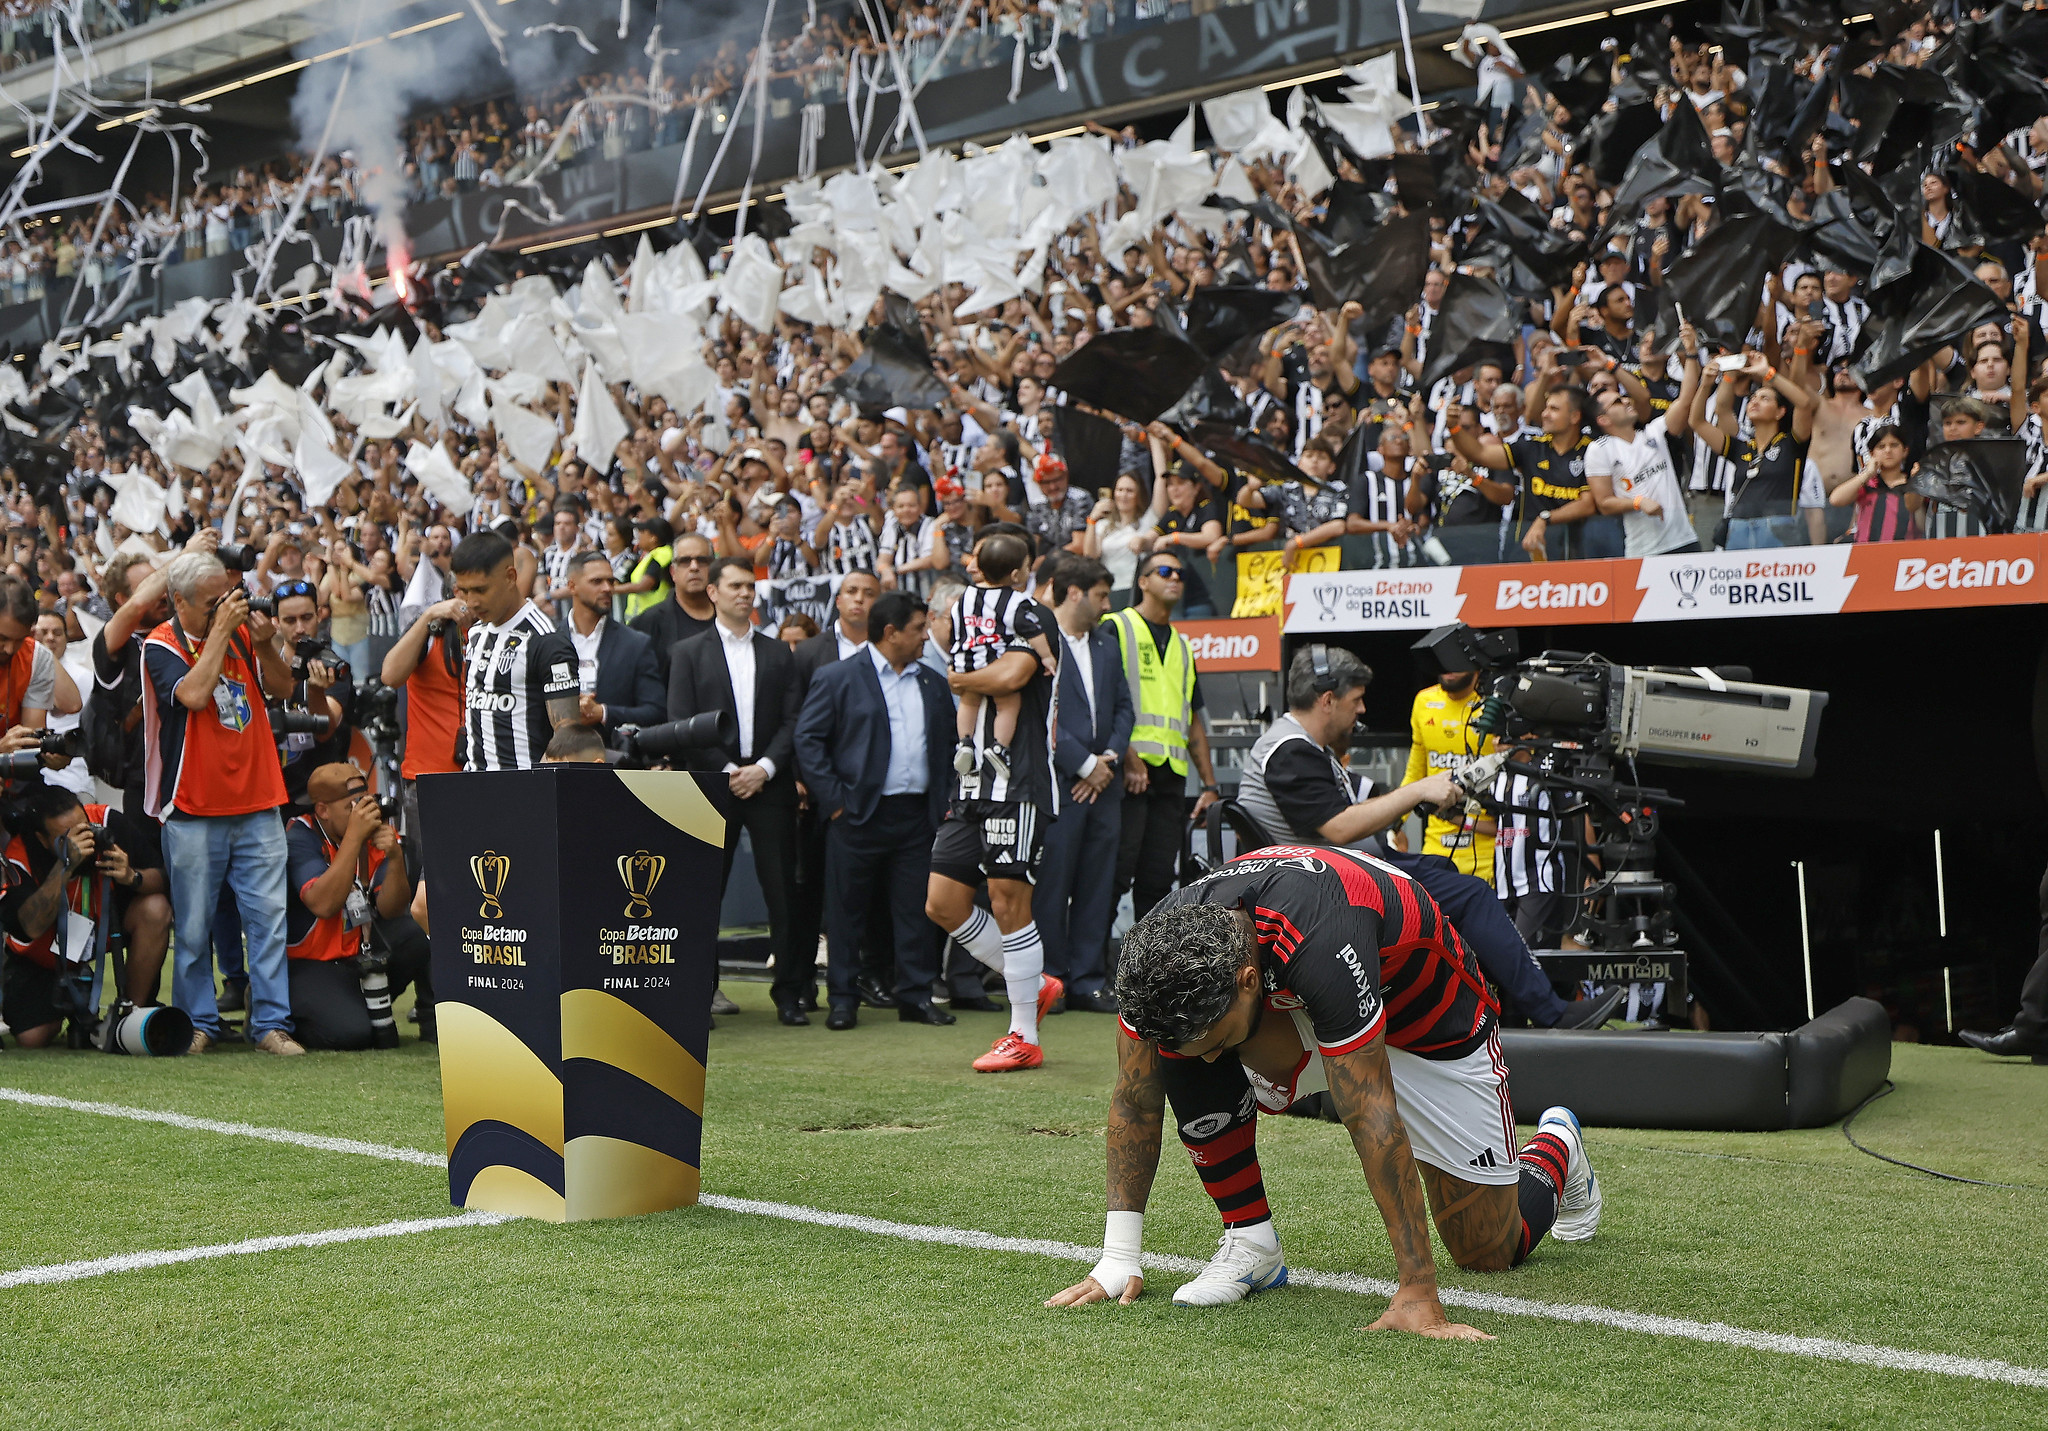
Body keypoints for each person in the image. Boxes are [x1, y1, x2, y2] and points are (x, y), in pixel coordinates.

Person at [1045, 850, 1601, 1322]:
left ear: (1246, 980)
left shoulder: (1317, 936)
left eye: (1220, 1040)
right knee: (1179, 1045)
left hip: (1429, 1022)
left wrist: (1417, 1290)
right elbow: (1135, 1097)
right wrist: (1118, 1256)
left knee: (1487, 1249)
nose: (1215, 1058)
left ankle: (1557, 1146)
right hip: (1295, 1007)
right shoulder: (1161, 953)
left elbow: (1372, 1111)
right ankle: (1251, 1241)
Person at [1235, 646, 1621, 1030]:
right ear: (1328, 699)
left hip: (1334, 876)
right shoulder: (1289, 751)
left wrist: (1443, 788)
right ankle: (1550, 1013)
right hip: (1330, 888)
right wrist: (1419, 791)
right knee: (1471, 896)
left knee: (1442, 868)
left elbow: (1369, 795)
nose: (1363, 710)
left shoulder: (1302, 747)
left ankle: (1504, 1012)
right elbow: (1340, 827)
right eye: (1357, 700)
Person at [142, 548, 301, 1056]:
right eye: (211, 603)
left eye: (225, 599)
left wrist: (265, 644)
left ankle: (272, 1025)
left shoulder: (237, 634)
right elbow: (192, 694)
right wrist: (219, 632)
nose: (223, 609)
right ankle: (199, 1023)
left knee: (269, 924)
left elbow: (282, 686)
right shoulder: (160, 644)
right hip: (193, 805)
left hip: (258, 800)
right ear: (179, 602)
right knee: (191, 929)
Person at [926, 531, 1068, 1072]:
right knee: (942, 902)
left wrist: (960, 676)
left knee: (1009, 901)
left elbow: (1012, 673)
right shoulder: (972, 610)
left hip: (1020, 781)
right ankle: (1033, 981)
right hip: (971, 786)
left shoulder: (1030, 615)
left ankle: (1023, 1034)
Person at [794, 591, 956, 1029]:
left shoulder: (931, 682)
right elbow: (808, 740)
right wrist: (836, 803)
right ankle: (843, 999)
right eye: (919, 628)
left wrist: (941, 803)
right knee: (847, 912)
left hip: (916, 817)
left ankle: (916, 997)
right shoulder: (838, 677)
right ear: (891, 633)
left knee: (914, 913)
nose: (926, 636)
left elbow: (945, 748)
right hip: (857, 816)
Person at [669, 557, 804, 1023]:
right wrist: (727, 769)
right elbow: (682, 724)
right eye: (735, 586)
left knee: (783, 893)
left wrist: (764, 768)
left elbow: (793, 720)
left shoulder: (777, 653)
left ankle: (789, 995)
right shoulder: (688, 652)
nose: (745, 593)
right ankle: (700, 993)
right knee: (703, 894)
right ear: (713, 592)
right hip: (711, 786)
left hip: (770, 785)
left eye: (750, 586)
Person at [1033, 555, 1131, 1015]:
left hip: (1103, 785)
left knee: (1096, 884)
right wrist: (1084, 764)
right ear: (1074, 592)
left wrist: (1105, 761)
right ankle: (1051, 979)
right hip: (1059, 786)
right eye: (1101, 595)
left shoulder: (1107, 644)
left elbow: (1125, 708)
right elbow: (1042, 717)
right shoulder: (1038, 643)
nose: (1106, 605)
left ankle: (1089, 980)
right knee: (1053, 885)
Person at [1, 783, 171, 1047]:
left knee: (155, 908)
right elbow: (29, 926)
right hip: (43, 951)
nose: (82, 841)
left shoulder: (106, 821)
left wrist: (132, 877)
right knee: (32, 1038)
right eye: (65, 837)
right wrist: (65, 865)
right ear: (42, 839)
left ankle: (129, 1015)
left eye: (83, 829)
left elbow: (162, 880)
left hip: (103, 927)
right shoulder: (19, 853)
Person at [284, 763, 431, 1048]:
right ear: (323, 810)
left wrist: (395, 856)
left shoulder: (372, 831)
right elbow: (323, 904)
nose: (362, 811)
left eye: (365, 801)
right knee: (352, 1035)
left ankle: (368, 1008)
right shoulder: (299, 836)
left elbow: (390, 909)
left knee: (416, 935)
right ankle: (280, 1011)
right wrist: (354, 837)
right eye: (352, 805)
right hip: (309, 964)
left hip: (355, 954)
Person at [1109, 551, 1220, 921]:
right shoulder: (1116, 626)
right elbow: (1100, 703)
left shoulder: (1184, 647)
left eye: (1180, 572)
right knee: (1114, 874)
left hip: (1170, 778)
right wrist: (1126, 754)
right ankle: (1092, 974)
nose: (1175, 577)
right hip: (1126, 774)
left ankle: (1145, 971)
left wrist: (1209, 785)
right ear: (1142, 581)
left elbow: (1191, 721)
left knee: (1157, 881)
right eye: (1164, 571)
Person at [452, 531, 579, 771]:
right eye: (465, 591)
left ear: (510, 577)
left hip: (522, 793)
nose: (471, 602)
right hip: (474, 789)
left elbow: (567, 734)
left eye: (480, 590)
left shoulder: (546, 639)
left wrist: (530, 790)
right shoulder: (477, 632)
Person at [946, 532, 1055, 786]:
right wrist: (1047, 656)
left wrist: (957, 658)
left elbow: (954, 628)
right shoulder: (1017, 602)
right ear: (1016, 574)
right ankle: (998, 747)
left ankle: (964, 742)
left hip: (965, 659)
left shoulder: (963, 598)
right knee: (1008, 704)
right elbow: (1032, 631)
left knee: (968, 702)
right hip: (993, 658)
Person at [1689, 353, 1818, 550]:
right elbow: (1697, 422)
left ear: (1780, 412)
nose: (1755, 402)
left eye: (1765, 398)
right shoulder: (1741, 448)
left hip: (1778, 527)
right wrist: (1705, 384)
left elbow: (1804, 403)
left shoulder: (1792, 443)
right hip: (1738, 528)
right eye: (1753, 398)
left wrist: (1768, 373)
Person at [380, 592, 470, 868]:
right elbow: (390, 676)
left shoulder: (498, 633)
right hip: (429, 779)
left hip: (485, 776)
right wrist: (428, 616)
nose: (469, 604)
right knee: (431, 881)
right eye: (464, 593)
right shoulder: (430, 634)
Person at [560, 551, 664, 739]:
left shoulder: (635, 643)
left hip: (614, 757)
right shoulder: (548, 640)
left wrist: (603, 712)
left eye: (611, 581)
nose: (607, 588)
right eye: (596, 581)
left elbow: (656, 711)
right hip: (555, 756)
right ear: (572, 586)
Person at [628, 534, 717, 684]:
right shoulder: (646, 624)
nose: (694, 567)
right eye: (685, 561)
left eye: (702, 560)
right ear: (673, 572)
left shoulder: (731, 618)